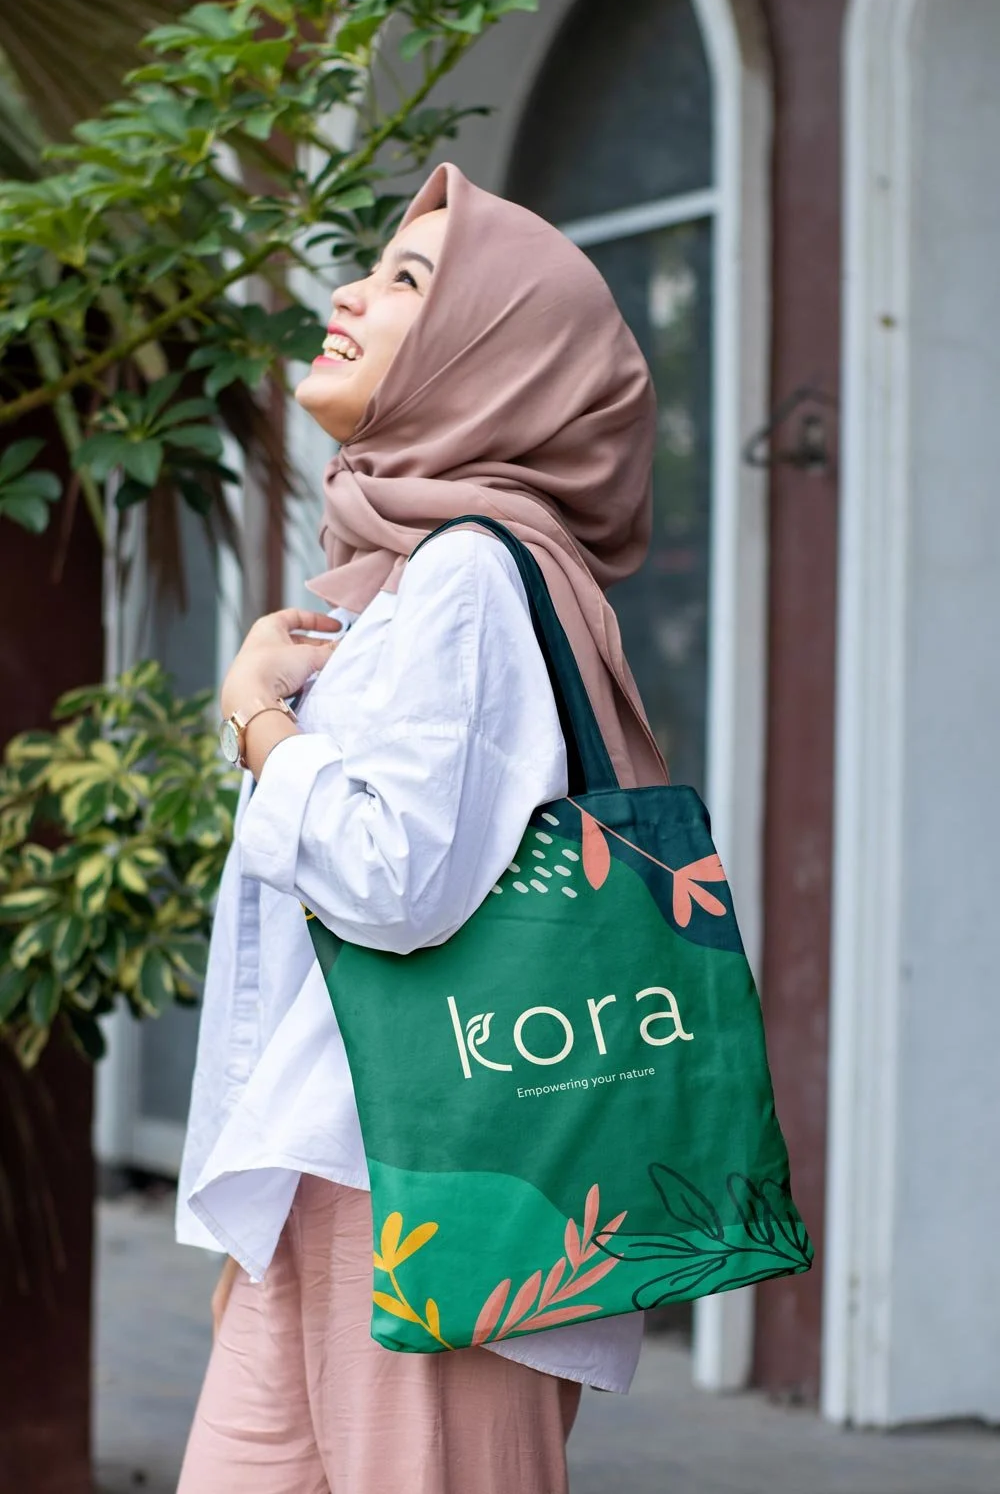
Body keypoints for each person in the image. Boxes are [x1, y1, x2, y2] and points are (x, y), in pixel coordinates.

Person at [175, 162, 668, 1494]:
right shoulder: (400, 578)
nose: (350, 290)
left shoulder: (470, 574)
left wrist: (257, 724)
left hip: (437, 1191)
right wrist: (261, 1215)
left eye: (408, 281)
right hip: (337, 1179)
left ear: (489, 356)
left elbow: (393, 884)